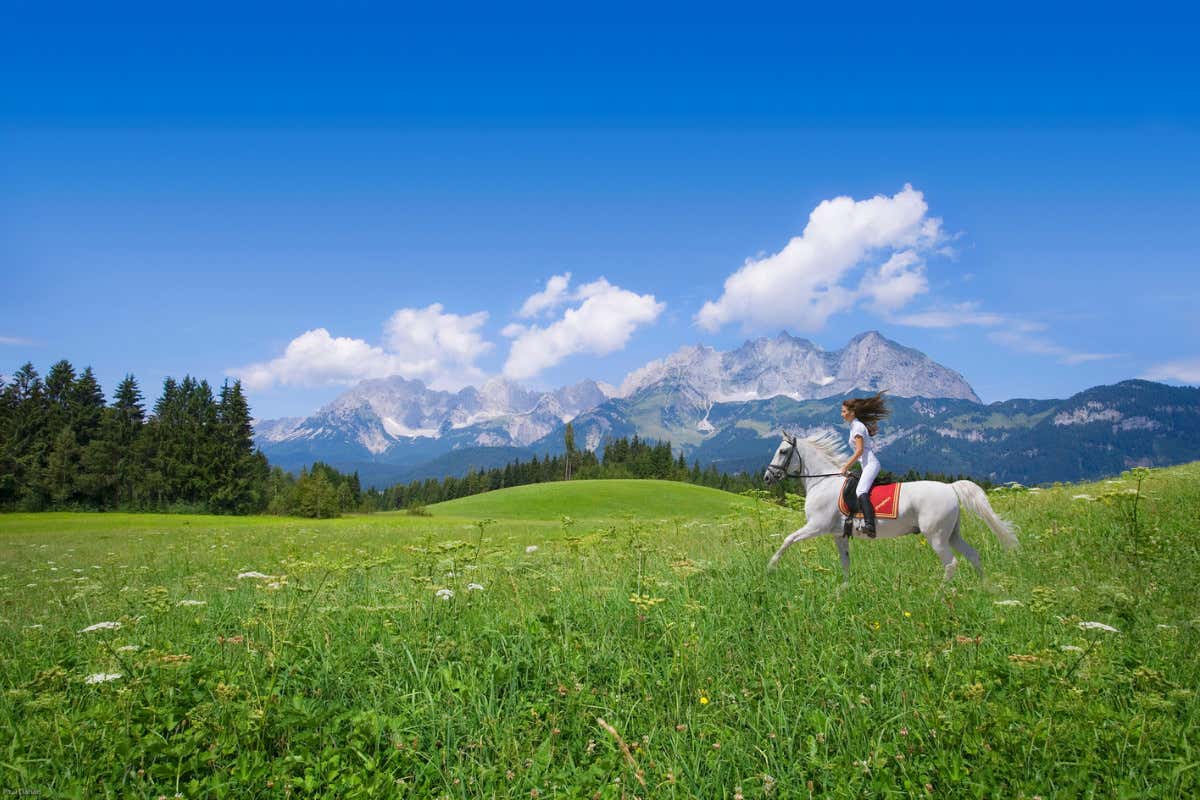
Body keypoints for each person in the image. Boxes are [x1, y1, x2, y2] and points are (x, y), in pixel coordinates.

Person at [839, 392, 890, 536]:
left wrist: (845, 467)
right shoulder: (854, 426)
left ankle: (870, 525)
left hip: (871, 464)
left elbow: (860, 451)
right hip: (866, 464)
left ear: (852, 412)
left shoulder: (858, 428)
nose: (842, 414)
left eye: (844, 411)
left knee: (861, 491)